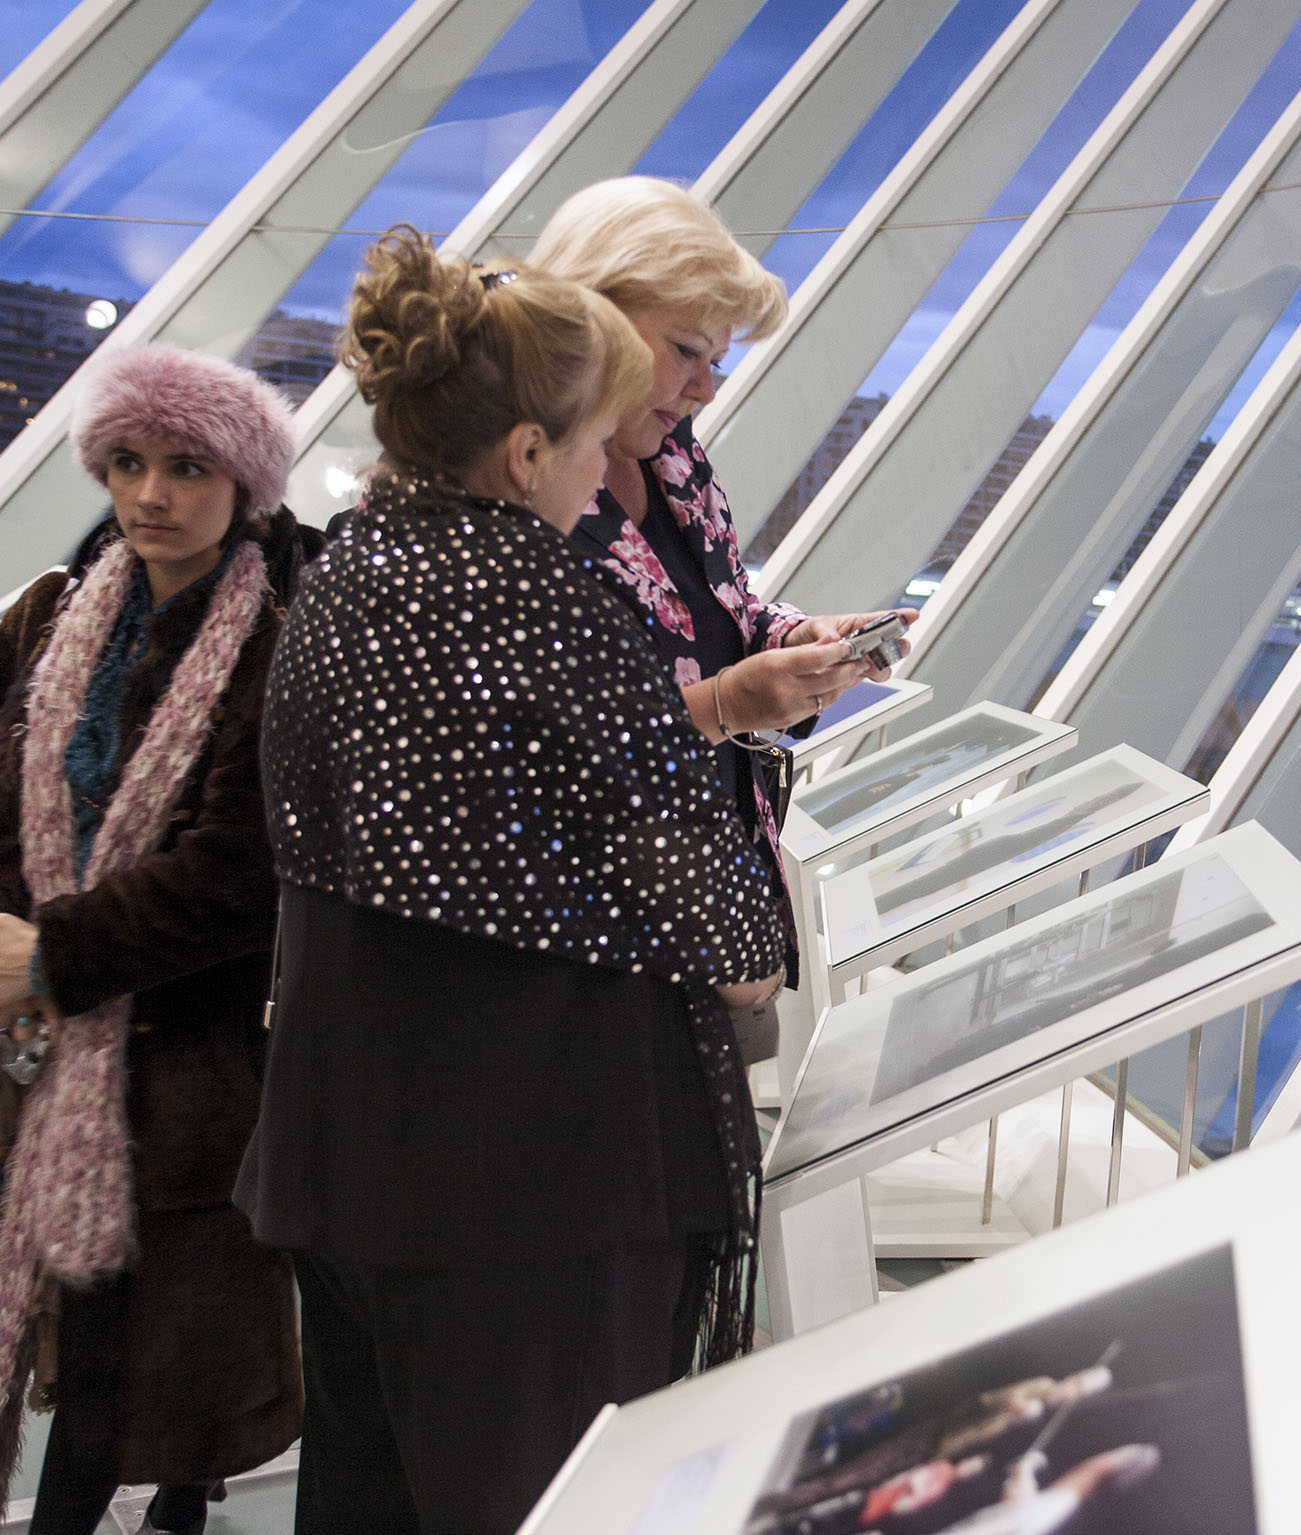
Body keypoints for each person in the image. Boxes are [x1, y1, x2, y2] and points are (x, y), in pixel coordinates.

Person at [237, 227, 792, 1535]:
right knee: (541, 1493)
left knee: (368, 1483)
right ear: (527, 452)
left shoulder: (344, 569)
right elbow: (710, 904)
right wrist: (749, 950)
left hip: (347, 1136)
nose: (613, 466)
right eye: (597, 440)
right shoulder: (543, 598)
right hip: (528, 1170)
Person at [0, 347, 308, 1535]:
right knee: (58, 1326)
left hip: (183, 1064)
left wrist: (58, 952)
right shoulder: (48, 611)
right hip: (25, 1050)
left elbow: (244, 871)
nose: (150, 495)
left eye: (188, 467)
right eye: (127, 463)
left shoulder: (273, 647)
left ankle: (155, 1501)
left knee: (144, 1348)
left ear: (245, 486)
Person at [530, 176, 918, 985]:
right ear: (587, 313)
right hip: (600, 957)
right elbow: (541, 759)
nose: (706, 387)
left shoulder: (673, 459)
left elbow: (710, 613)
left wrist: (793, 641)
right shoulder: (521, 493)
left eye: (716, 360)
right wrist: (732, 704)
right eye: (686, 351)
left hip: (711, 917)